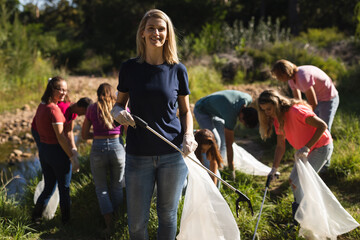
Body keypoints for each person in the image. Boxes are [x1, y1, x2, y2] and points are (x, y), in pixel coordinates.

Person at [110, 9, 198, 240]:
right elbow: (118, 105)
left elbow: (186, 110)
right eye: (151, 28)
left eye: (161, 29)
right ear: (142, 33)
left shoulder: (178, 69)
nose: (156, 33)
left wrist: (189, 135)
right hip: (138, 154)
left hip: (173, 153)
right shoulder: (129, 67)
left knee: (168, 216)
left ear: (168, 34)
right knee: (137, 223)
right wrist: (118, 113)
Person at [256, 89, 333, 221]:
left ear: (276, 103)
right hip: (305, 151)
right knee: (294, 182)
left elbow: (322, 126)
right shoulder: (278, 120)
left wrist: (306, 147)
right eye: (264, 110)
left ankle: (308, 218)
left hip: (321, 147)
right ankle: (300, 218)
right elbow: (280, 146)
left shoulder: (296, 111)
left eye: (269, 108)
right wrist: (274, 169)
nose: (267, 113)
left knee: (301, 182)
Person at [32, 76, 78, 224]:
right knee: (64, 189)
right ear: (52, 89)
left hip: (44, 151)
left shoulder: (42, 106)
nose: (64, 93)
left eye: (66, 90)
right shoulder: (54, 110)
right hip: (57, 153)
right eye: (61, 89)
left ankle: (36, 217)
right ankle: (66, 222)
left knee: (49, 187)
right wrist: (72, 157)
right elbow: (61, 138)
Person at [81, 83, 125, 234]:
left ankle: (109, 225)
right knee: (117, 186)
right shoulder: (119, 108)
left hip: (98, 149)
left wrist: (98, 136)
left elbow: (84, 135)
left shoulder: (92, 108)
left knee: (101, 189)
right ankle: (119, 223)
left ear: (98, 93)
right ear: (113, 93)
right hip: (118, 148)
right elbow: (129, 128)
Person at [193, 90, 258, 178]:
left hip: (215, 111)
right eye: (243, 122)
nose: (241, 122)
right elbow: (229, 144)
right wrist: (232, 167)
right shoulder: (231, 114)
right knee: (214, 140)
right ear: (242, 116)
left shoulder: (247, 99)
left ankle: (220, 168)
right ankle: (208, 170)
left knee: (221, 140)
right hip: (201, 109)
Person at [271, 59, 339, 133]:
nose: (278, 78)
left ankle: (326, 144)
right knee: (313, 127)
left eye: (278, 76)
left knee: (324, 128)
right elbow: (297, 101)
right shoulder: (291, 80)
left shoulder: (302, 77)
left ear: (284, 73)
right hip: (319, 98)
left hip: (328, 98)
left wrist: (305, 116)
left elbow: (313, 103)